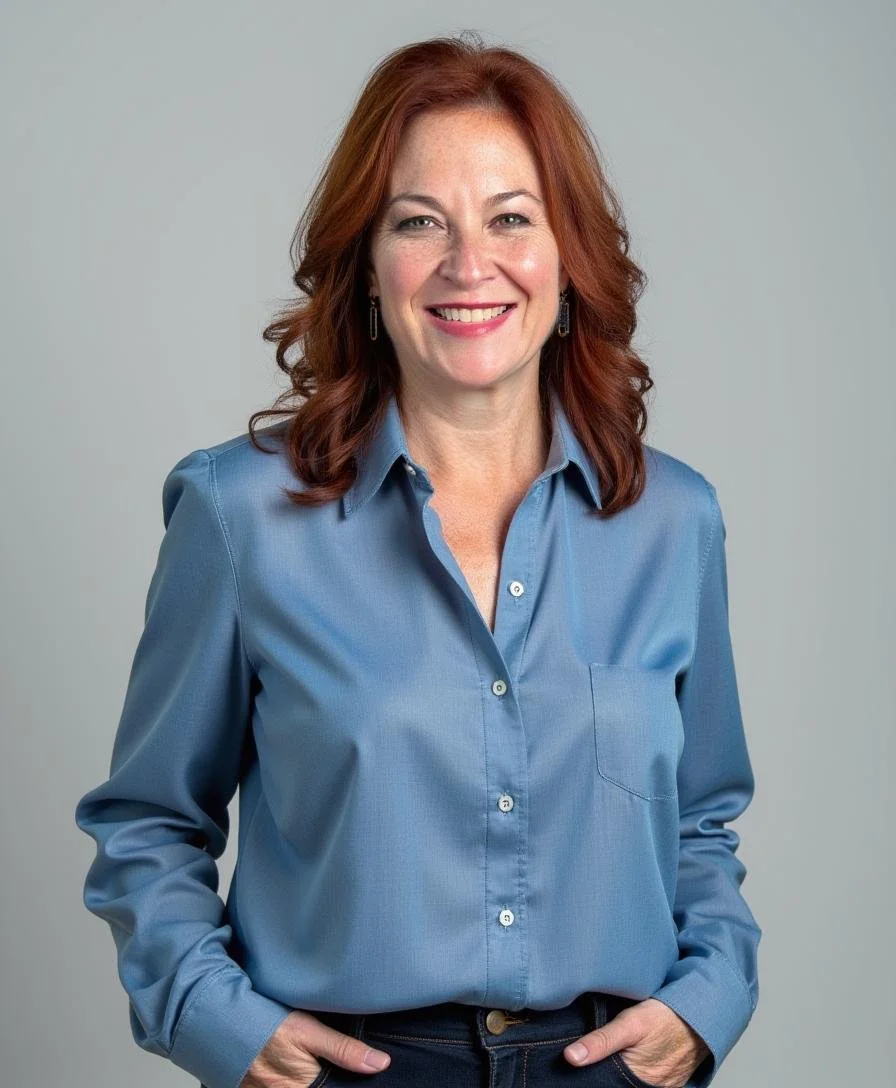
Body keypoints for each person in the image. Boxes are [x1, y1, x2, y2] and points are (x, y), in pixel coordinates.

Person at [74, 31, 761, 1088]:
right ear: (366, 265)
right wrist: (217, 1019)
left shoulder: (671, 520)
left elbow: (702, 820)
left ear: (567, 261)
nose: (467, 265)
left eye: (510, 219)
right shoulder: (239, 513)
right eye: (418, 222)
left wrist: (707, 998)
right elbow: (150, 820)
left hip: (607, 1064)